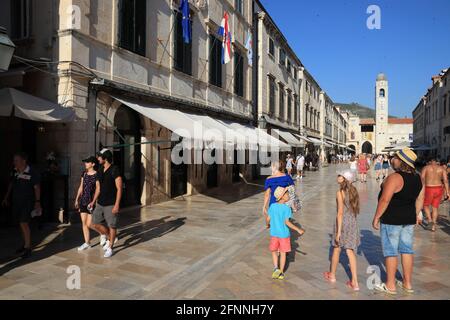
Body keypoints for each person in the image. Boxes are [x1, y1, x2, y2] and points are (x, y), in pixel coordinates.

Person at [372, 148, 424, 295]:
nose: (392, 159)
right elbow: (420, 198)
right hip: (408, 219)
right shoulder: (418, 177)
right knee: (407, 250)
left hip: (391, 220)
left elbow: (385, 199)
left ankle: (390, 285)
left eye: (394, 157)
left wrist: (376, 217)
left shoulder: (395, 178)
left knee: (391, 252)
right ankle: (407, 283)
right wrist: (414, 215)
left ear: (401, 161)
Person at [323, 170, 360, 291]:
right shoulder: (354, 191)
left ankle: (332, 275)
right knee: (350, 251)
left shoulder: (340, 192)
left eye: (340, 175)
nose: (337, 176)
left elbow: (340, 213)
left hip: (342, 222)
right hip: (352, 222)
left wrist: (338, 232)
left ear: (344, 179)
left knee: (337, 248)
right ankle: (355, 282)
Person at [1, 152, 41, 259]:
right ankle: (25, 244)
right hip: (16, 202)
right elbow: (11, 184)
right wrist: (6, 197)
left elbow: (37, 187)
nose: (14, 162)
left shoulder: (32, 172)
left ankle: (28, 248)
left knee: (24, 222)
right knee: (20, 223)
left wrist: (37, 202)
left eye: (16, 160)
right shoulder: (14, 171)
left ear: (24, 161)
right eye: (14, 160)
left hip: (28, 202)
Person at [266, 186, 304, 280]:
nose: (288, 195)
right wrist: (298, 230)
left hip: (274, 234)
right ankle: (281, 272)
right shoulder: (286, 208)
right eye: (286, 194)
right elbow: (287, 222)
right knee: (283, 253)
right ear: (282, 196)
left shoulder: (272, 206)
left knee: (274, 252)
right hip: (283, 235)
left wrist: (267, 225)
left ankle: (276, 268)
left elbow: (268, 219)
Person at [91, 149, 122, 258]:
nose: (98, 158)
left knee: (112, 225)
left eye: (100, 156)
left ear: (106, 158)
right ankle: (110, 237)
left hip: (111, 203)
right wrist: (93, 201)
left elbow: (119, 188)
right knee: (94, 224)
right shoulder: (100, 169)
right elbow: (98, 187)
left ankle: (110, 247)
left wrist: (117, 204)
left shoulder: (114, 169)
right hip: (100, 203)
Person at [74, 156, 100, 251]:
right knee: (84, 223)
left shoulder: (97, 174)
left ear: (93, 164)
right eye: (85, 162)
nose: (85, 163)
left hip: (91, 202)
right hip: (83, 201)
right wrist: (77, 199)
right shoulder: (84, 174)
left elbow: (98, 189)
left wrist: (94, 201)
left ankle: (103, 234)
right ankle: (87, 243)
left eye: (87, 162)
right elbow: (81, 187)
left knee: (90, 224)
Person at [420, 156, 450, 231]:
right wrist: (447, 192)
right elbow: (446, 181)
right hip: (439, 188)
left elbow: (422, 179)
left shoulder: (426, 168)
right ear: (436, 161)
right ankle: (433, 226)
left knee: (425, 205)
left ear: (430, 161)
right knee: (435, 207)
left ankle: (430, 221)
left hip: (429, 188)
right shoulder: (442, 168)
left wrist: (420, 190)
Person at [263, 160, 295, 226]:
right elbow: (292, 188)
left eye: (271, 166)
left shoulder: (268, 179)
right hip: (285, 202)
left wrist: (264, 206)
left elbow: (267, 194)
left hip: (273, 203)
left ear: (274, 167)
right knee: (285, 222)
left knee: (275, 223)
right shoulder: (287, 176)